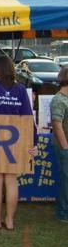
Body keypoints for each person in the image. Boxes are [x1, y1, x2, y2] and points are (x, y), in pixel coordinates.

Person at [0, 55, 37, 230]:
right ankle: (9, 220)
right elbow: (28, 117)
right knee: (12, 181)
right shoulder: (20, 90)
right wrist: (33, 142)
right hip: (15, 139)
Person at [51, 65, 68, 223]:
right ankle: (64, 213)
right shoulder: (59, 100)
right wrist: (65, 148)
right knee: (66, 180)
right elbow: (57, 125)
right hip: (64, 146)